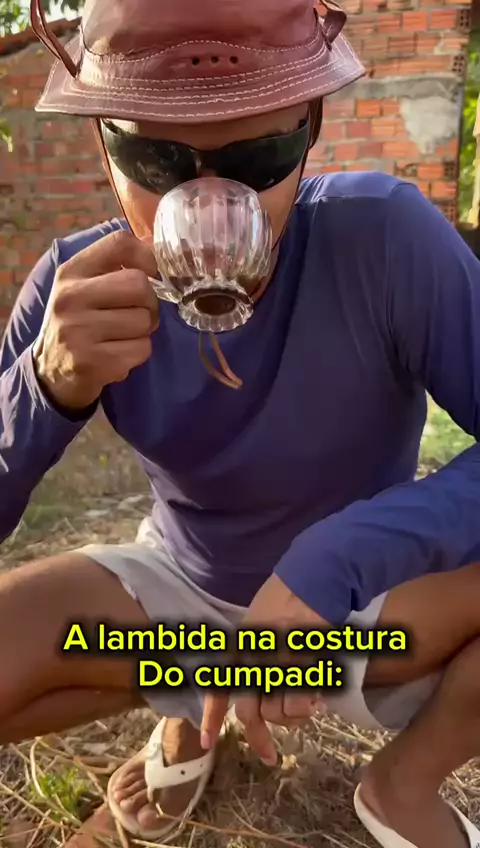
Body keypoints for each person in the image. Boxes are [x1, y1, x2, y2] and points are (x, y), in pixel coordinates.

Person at [1, 0, 480, 845]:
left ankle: (405, 781)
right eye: (154, 158)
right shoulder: (73, 286)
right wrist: (46, 385)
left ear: (310, 128)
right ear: (104, 146)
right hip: (178, 607)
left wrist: (340, 557)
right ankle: (193, 703)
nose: (210, 204)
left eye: (259, 158)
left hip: (365, 618)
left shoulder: (385, 240)